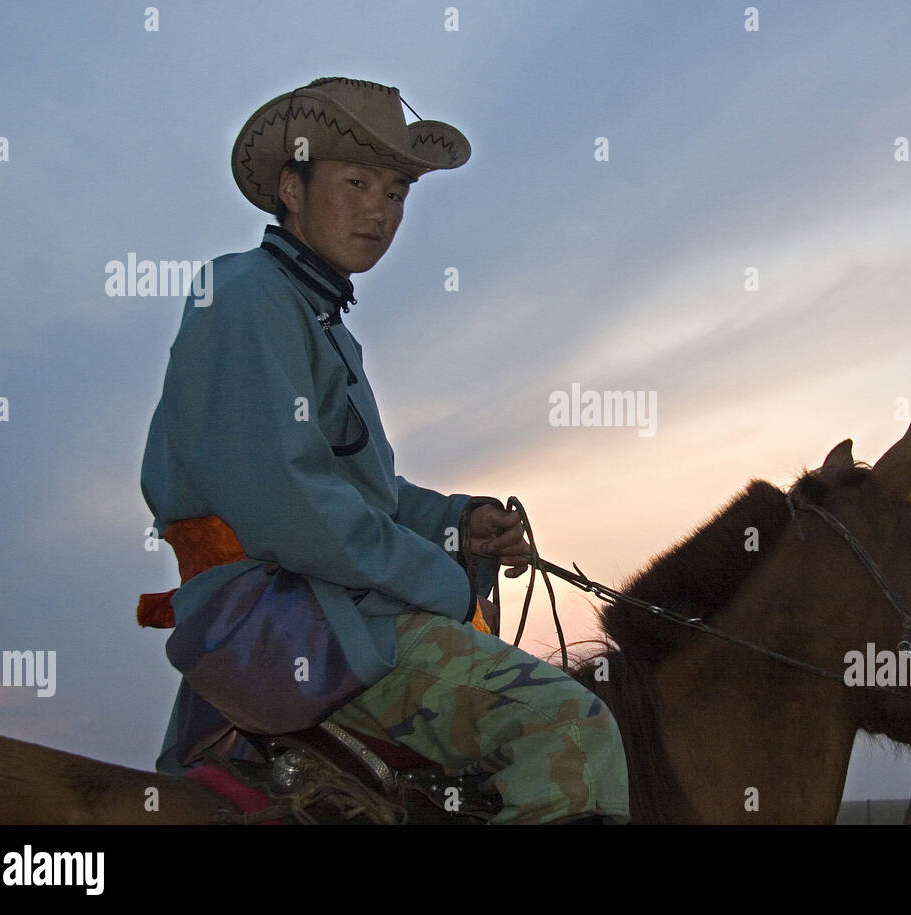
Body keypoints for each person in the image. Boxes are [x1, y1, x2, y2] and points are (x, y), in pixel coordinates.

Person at [138, 76, 629, 824]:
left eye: (397, 192)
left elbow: (369, 497)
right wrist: (447, 580)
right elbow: (291, 506)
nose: (380, 210)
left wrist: (460, 524)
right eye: (358, 182)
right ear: (291, 188)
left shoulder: (323, 322)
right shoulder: (244, 294)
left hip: (326, 604)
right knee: (570, 724)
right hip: (287, 618)